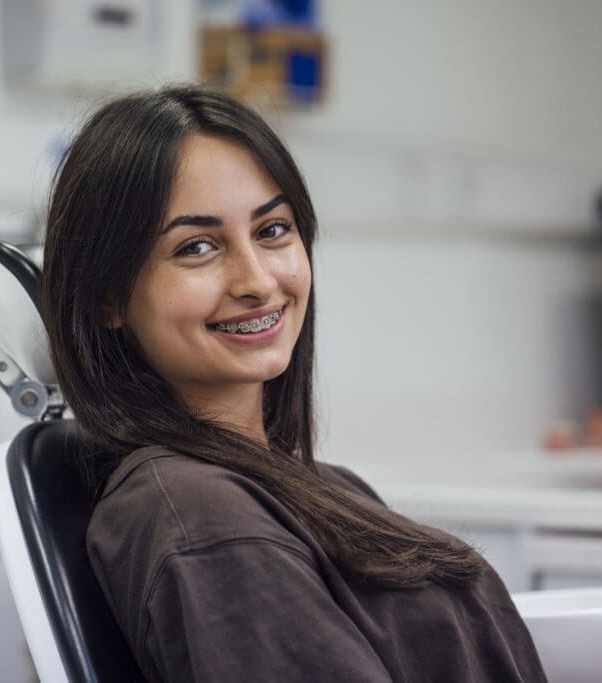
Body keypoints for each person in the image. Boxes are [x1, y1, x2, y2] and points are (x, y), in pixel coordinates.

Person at [41, 85, 546, 682]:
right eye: (197, 247)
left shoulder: (319, 487)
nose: (257, 280)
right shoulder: (200, 519)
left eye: (273, 230)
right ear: (107, 299)